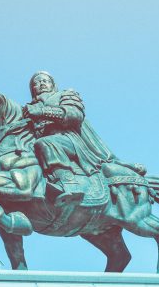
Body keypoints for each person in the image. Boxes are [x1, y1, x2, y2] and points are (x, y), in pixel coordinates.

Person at [23, 71, 114, 205]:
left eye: (45, 81)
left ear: (52, 85)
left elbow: (75, 115)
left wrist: (42, 112)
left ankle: (69, 184)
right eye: (36, 83)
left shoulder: (64, 94)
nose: (41, 84)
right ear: (33, 90)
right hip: (41, 148)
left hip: (70, 139)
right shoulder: (29, 109)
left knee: (45, 143)